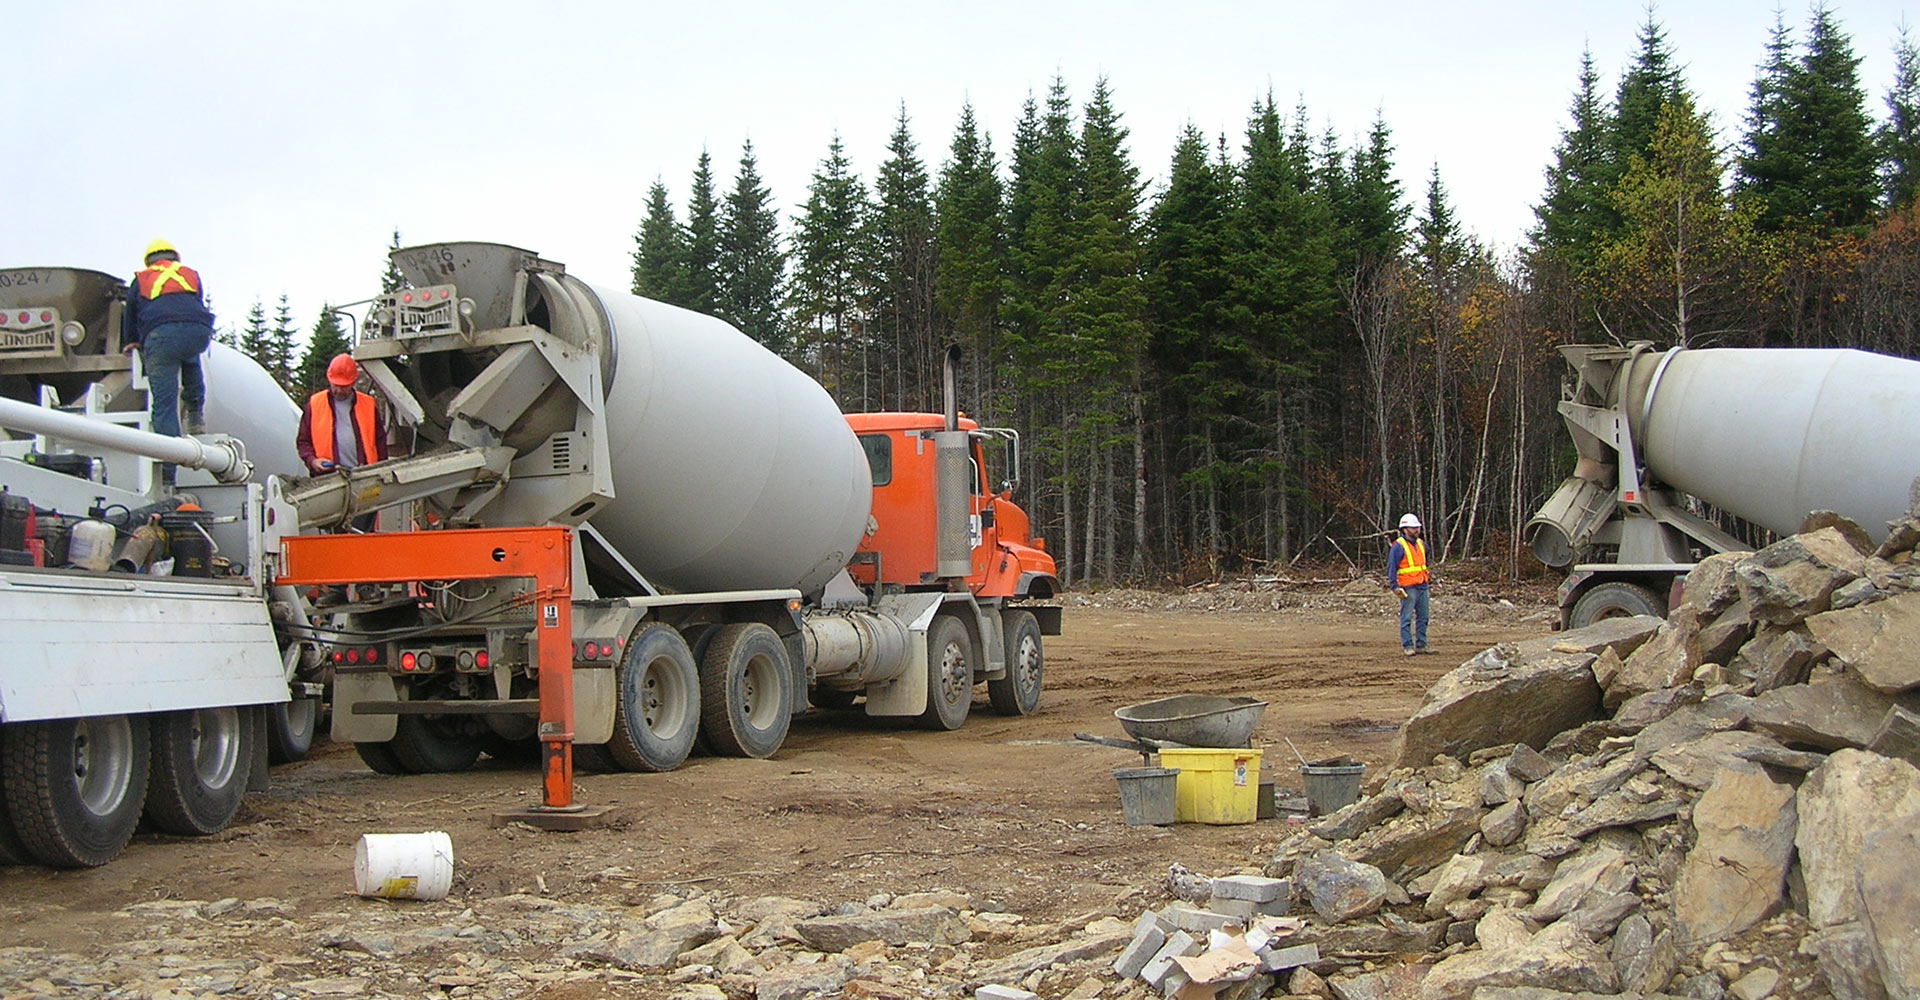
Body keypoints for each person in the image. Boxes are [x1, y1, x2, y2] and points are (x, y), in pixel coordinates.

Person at [123, 239, 215, 485]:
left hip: (161, 336)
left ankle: (168, 467)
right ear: (174, 258)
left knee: (164, 403)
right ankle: (196, 413)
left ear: (149, 260)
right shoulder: (189, 275)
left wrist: (131, 340)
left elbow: (130, 311)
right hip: (199, 331)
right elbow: (194, 304)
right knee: (189, 354)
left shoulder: (142, 279)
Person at [297, 355, 388, 535]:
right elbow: (303, 442)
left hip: (364, 479)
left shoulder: (368, 405)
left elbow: (380, 443)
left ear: (353, 382)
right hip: (329, 480)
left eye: (343, 386)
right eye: (335, 384)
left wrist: (381, 473)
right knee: (334, 535)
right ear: (329, 380)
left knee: (361, 534)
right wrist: (313, 461)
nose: (338, 389)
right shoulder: (315, 404)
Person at [1387, 512, 1431, 656]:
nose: (1416, 530)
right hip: (1408, 586)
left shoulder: (1421, 544)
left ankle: (1421, 645)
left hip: (1422, 584)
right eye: (1413, 528)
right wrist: (1394, 586)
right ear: (1405, 529)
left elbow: (1425, 560)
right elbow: (1392, 567)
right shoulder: (1398, 546)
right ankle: (1407, 646)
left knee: (1423, 617)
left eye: (1417, 527)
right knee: (1406, 618)